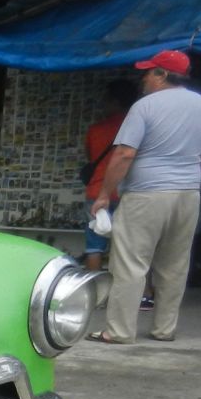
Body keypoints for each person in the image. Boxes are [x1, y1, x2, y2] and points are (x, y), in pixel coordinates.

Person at [88, 50, 201, 344]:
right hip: (188, 194)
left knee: (130, 263)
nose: (144, 78)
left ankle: (119, 331)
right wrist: (193, 184)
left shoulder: (144, 107)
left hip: (146, 193)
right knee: (175, 264)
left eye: (148, 72)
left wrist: (104, 194)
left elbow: (125, 153)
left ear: (162, 75)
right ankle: (164, 328)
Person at [80, 79, 135, 272]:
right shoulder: (136, 128)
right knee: (127, 247)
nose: (103, 104)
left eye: (106, 100)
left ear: (115, 101)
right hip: (126, 193)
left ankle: (93, 288)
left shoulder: (96, 129)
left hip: (97, 192)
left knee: (94, 247)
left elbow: (90, 156)